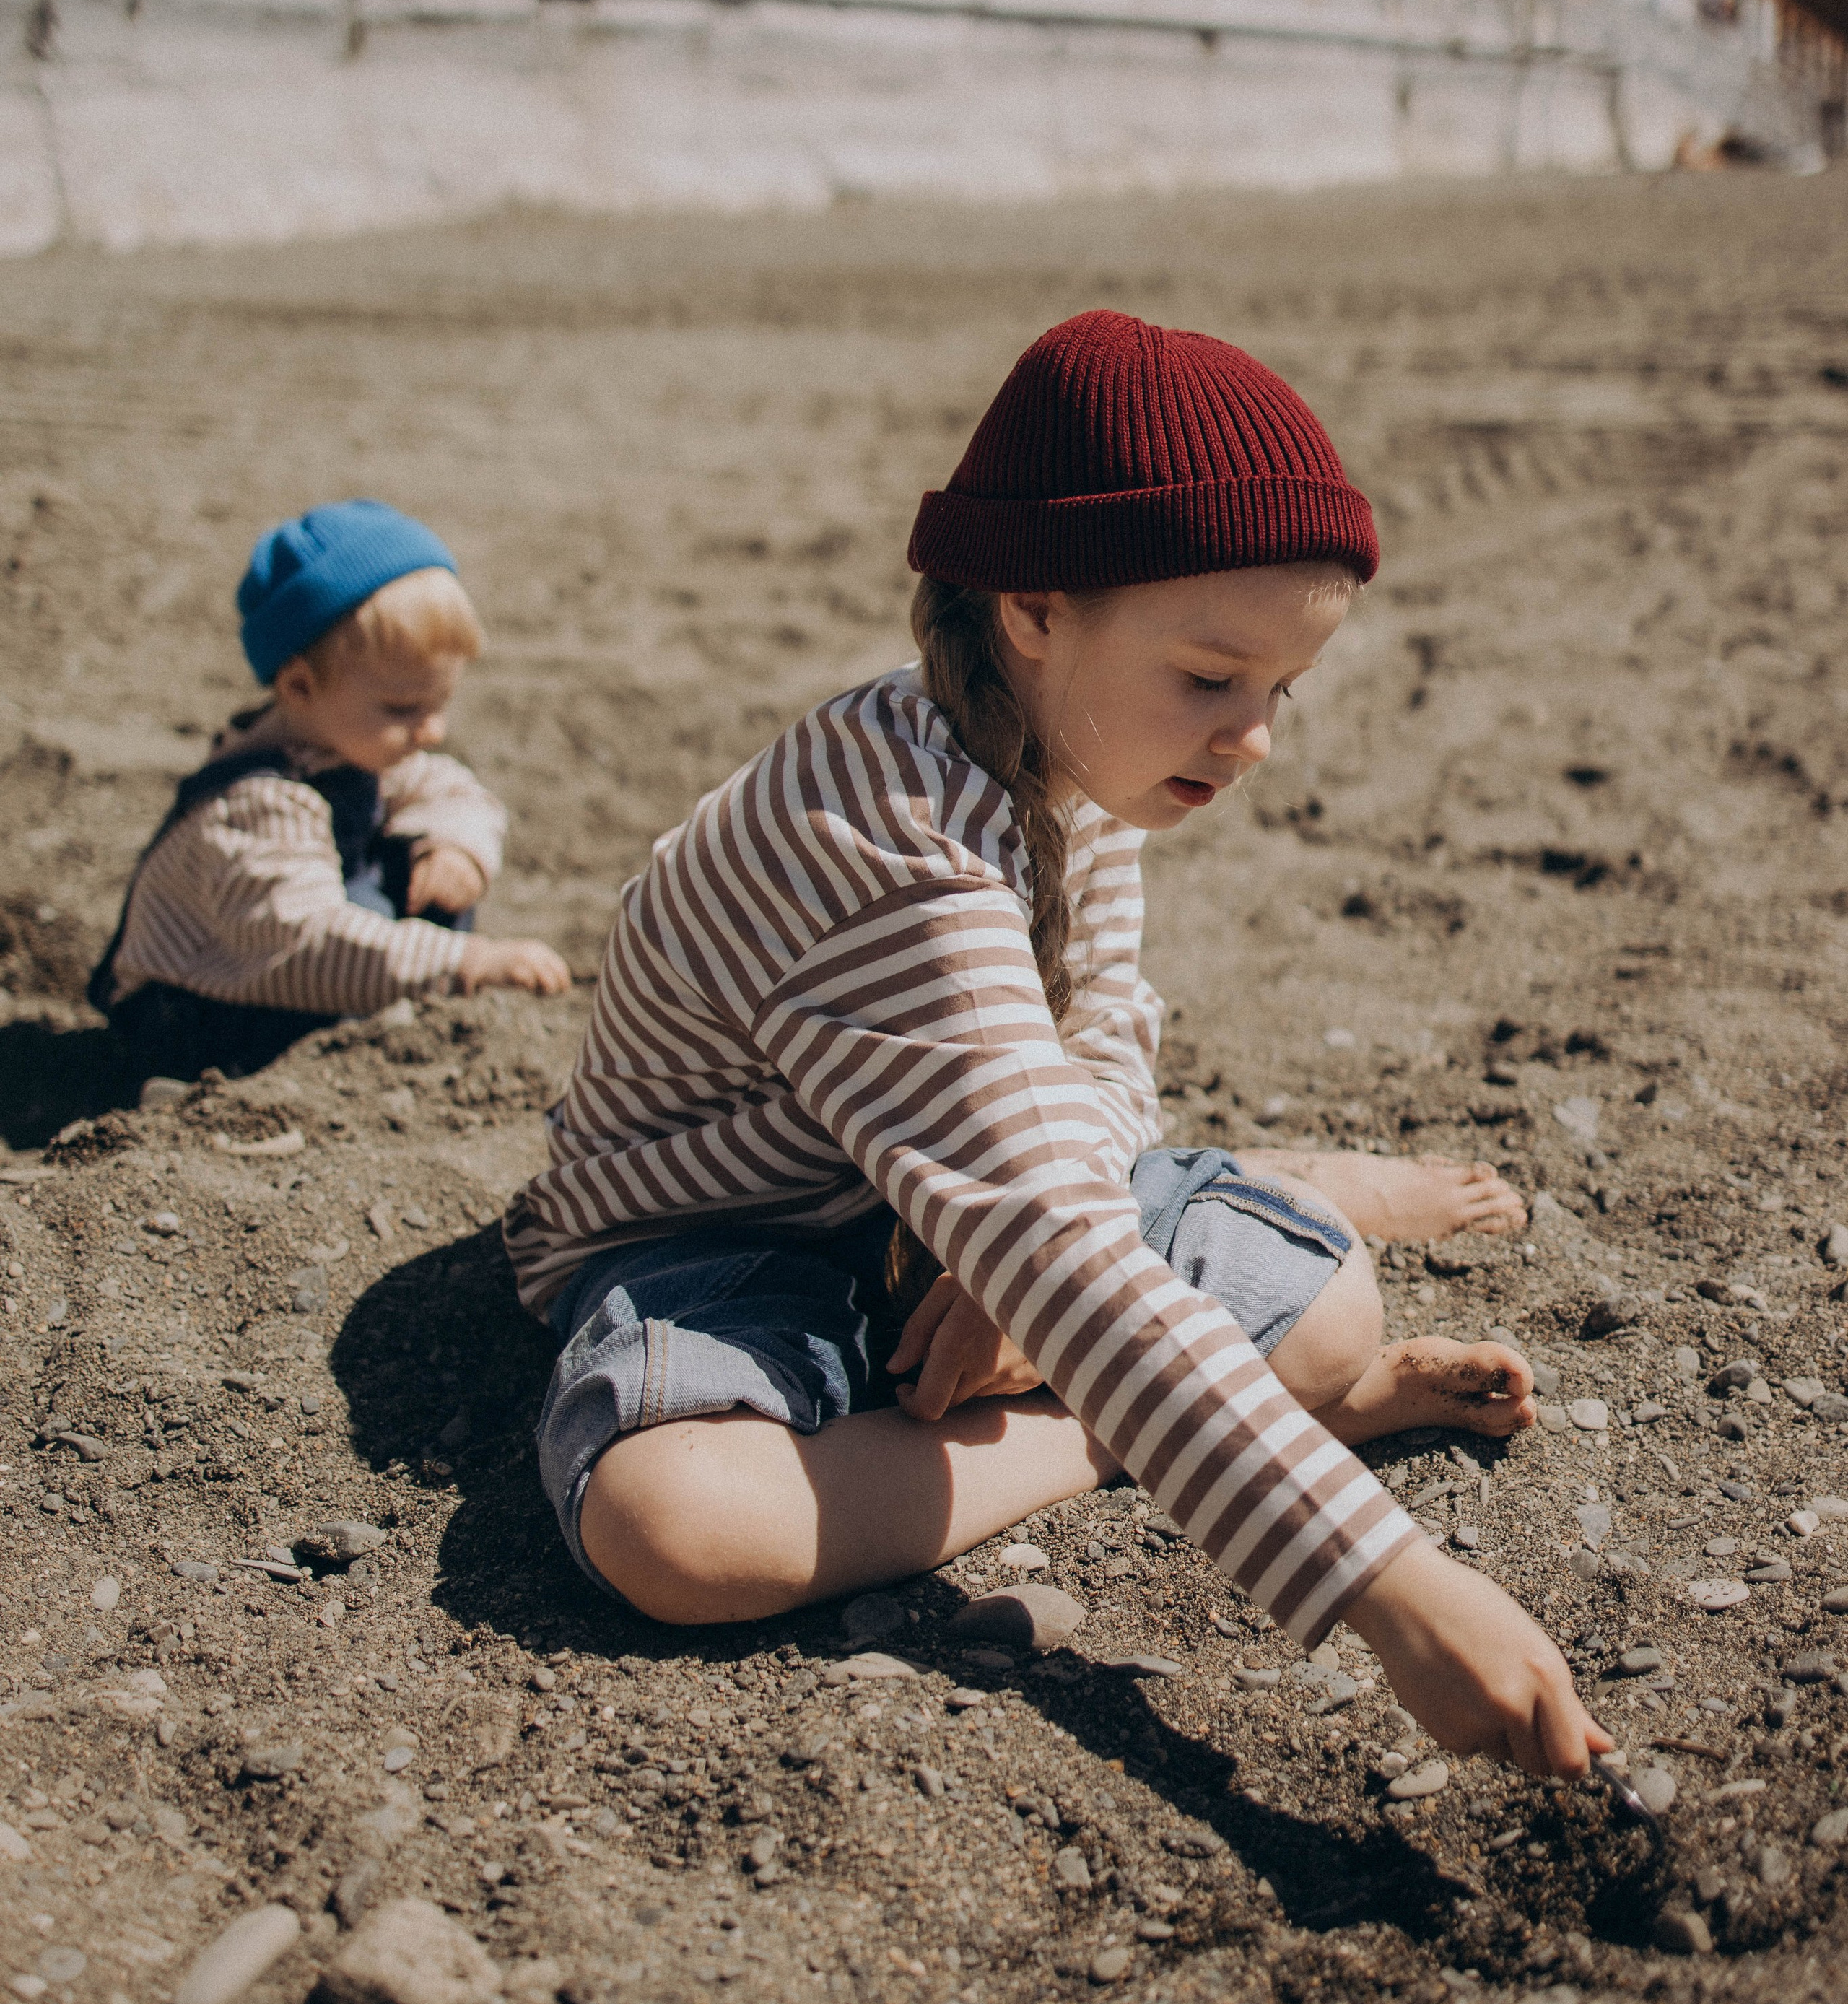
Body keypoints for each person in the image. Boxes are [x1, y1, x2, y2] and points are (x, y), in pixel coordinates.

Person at [506, 312, 1610, 1782]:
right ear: (1030, 608)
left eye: (1278, 692)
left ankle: (1178, 1348)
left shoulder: (1073, 765)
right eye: (1211, 678)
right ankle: (1118, 1420)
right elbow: (1061, 1233)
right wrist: (1390, 1586)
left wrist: (999, 1267)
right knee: (673, 1528)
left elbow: (1100, 1052)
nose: (1253, 739)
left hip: (947, 1210)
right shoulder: (884, 847)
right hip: (727, 1237)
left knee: (1333, 1313)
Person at [90, 499, 570, 1086]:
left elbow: (450, 788)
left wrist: (456, 847)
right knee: (362, 916)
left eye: (440, 703)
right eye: (404, 708)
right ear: (298, 684)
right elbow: (305, 944)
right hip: (195, 1019)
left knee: (416, 860)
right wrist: (468, 961)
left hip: (279, 975)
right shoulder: (252, 808)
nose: (433, 730)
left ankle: (387, 1002)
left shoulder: (345, 742)